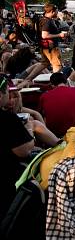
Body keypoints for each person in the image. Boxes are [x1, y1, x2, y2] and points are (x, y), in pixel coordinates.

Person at [0, 76, 35, 217]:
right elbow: (24, 151)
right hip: (9, 186)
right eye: (7, 92)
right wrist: (30, 129)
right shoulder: (7, 119)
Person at [39, 3, 67, 73]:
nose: (57, 13)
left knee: (44, 63)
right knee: (57, 65)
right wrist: (59, 35)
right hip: (50, 47)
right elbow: (44, 35)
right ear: (52, 11)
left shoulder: (42, 19)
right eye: (57, 11)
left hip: (44, 46)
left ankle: (27, 77)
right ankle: (56, 82)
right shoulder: (47, 21)